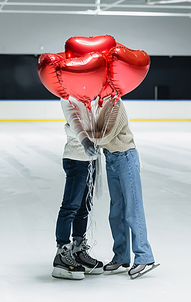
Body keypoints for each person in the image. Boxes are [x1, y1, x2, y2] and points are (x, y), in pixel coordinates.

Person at [58, 96, 156, 280]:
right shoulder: (97, 104)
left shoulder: (115, 102)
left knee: (132, 209)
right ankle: (121, 256)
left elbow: (108, 133)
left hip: (125, 156)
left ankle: (144, 257)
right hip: (110, 158)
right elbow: (92, 127)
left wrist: (81, 137)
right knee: (116, 211)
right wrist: (81, 135)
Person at [52, 97, 104, 280]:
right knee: (70, 207)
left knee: (83, 208)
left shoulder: (90, 96)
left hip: (91, 159)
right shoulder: (68, 97)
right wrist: (85, 140)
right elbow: (74, 121)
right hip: (76, 158)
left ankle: (78, 248)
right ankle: (62, 254)